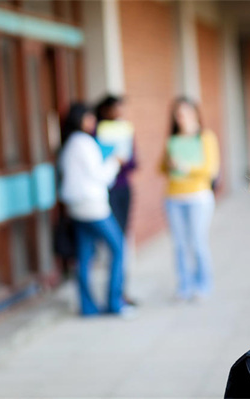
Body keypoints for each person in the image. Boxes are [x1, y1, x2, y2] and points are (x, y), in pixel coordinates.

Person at [58, 103, 133, 317]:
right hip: (93, 206)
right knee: (118, 248)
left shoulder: (69, 144)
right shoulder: (84, 142)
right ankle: (115, 302)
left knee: (84, 256)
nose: (93, 122)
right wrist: (115, 162)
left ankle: (88, 307)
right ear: (80, 119)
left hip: (76, 207)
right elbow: (101, 176)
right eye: (89, 118)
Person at [161, 97, 220, 301]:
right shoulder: (173, 140)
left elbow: (211, 169)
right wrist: (169, 163)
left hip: (198, 197)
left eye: (185, 113)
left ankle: (203, 285)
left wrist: (186, 167)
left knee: (197, 242)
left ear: (195, 114)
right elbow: (160, 168)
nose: (181, 118)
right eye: (177, 114)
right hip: (173, 197)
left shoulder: (205, 137)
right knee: (179, 244)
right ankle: (184, 285)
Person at [95, 94, 138, 306]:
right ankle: (115, 293)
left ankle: (121, 291)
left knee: (122, 241)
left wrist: (122, 160)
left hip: (123, 190)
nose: (118, 113)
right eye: (115, 109)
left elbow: (134, 163)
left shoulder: (125, 131)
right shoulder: (96, 132)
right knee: (115, 243)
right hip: (104, 192)